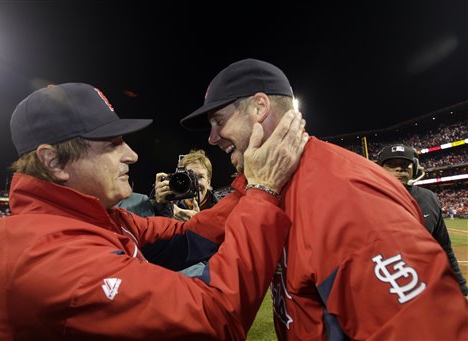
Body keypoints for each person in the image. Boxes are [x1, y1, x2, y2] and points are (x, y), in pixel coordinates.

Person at [0, 82, 308, 340]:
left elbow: (188, 236)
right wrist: (263, 191)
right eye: (112, 144)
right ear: (54, 161)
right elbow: (214, 316)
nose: (132, 155)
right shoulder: (48, 258)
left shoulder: (94, 218)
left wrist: (249, 183)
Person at [180, 58, 468, 340]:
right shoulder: (267, 184)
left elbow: (424, 328)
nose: (212, 138)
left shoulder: (345, 196)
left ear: (259, 108)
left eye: (219, 121)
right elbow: (189, 238)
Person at [376, 143, 468, 296]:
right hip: (386, 285)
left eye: (405, 164)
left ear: (415, 169)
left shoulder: (429, 198)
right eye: (392, 165)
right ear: (380, 168)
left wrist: (460, 285)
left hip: (426, 283)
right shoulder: (367, 197)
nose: (399, 169)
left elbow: (444, 247)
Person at [154, 149, 220, 221]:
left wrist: (197, 223)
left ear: (208, 182)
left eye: (200, 177)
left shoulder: (223, 207)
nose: (195, 183)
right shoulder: (171, 206)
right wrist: (161, 205)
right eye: (190, 177)